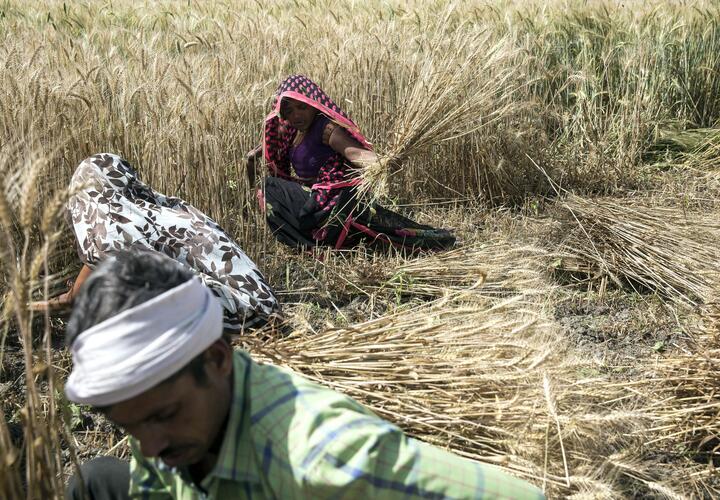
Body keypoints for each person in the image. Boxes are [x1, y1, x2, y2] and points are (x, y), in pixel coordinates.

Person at [65, 250, 544, 500]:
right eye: (129, 427)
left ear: (216, 359)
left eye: (163, 416)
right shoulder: (158, 413)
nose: (147, 448)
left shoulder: (324, 457)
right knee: (95, 483)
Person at [36, 153, 279, 331]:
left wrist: (27, 307)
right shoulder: (169, 209)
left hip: (228, 316)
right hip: (263, 305)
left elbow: (71, 302)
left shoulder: (110, 237)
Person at [247, 74, 456, 251]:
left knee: (269, 186)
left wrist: (384, 162)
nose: (296, 115)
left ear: (313, 105)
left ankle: (313, 241)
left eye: (301, 107)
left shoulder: (326, 128)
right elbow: (268, 154)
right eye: (289, 111)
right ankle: (311, 239)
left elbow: (356, 155)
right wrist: (253, 159)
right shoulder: (292, 134)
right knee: (269, 186)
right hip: (313, 198)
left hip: (329, 202)